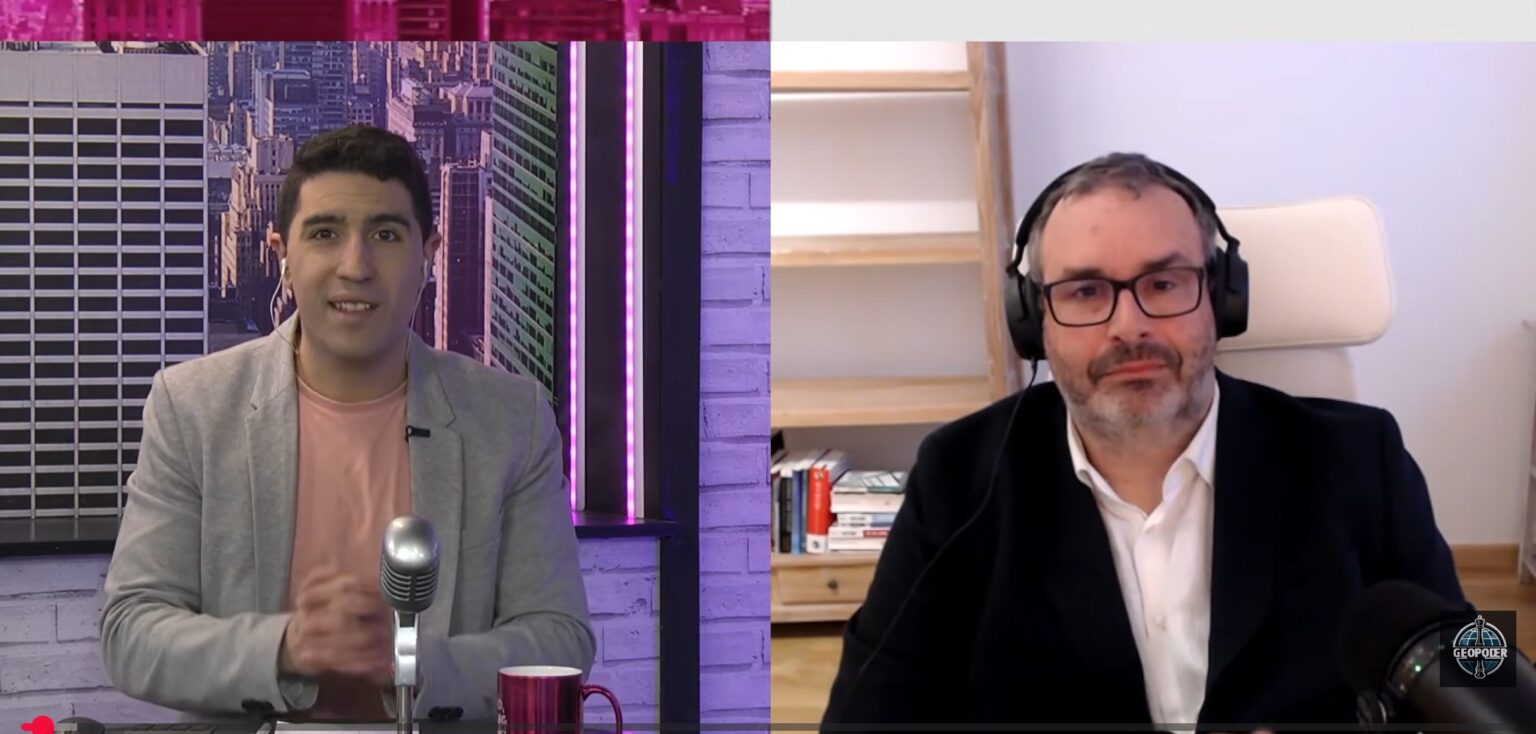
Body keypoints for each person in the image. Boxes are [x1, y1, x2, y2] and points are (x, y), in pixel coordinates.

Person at [821, 153, 1464, 728]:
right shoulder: (957, 480)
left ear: (1221, 297)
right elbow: (866, 715)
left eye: (1163, 283)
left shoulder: (1361, 457)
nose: (1129, 327)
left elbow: (1481, 672)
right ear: (1034, 321)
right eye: (1085, 291)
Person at [101, 125, 594, 723]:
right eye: (325, 234)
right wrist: (285, 648)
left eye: (385, 235)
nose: (355, 266)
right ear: (281, 255)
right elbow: (132, 632)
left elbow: (559, 638)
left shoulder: (512, 420)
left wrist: (412, 663)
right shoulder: (193, 408)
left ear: (430, 254)